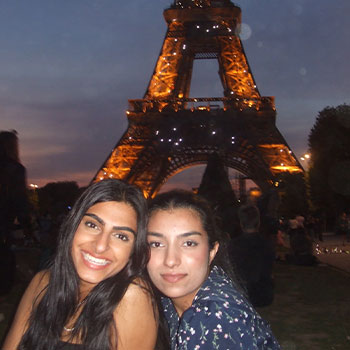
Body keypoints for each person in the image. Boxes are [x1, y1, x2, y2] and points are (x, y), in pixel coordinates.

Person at [3, 179, 165, 350]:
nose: (101, 246)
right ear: (72, 227)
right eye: (92, 225)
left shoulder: (131, 296)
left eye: (121, 236)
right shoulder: (42, 283)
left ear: (133, 251)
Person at [146, 189, 280, 350]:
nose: (171, 261)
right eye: (156, 244)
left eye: (189, 243)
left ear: (212, 251)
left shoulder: (214, 318)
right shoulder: (206, 287)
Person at [0, 130, 32, 295]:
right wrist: (27, 225)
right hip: (4, 220)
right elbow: (19, 199)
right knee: (5, 260)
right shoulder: (15, 169)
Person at [228, 204, 275, 307]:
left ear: (241, 223)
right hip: (264, 295)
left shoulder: (233, 246)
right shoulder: (266, 244)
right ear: (258, 222)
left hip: (242, 296)